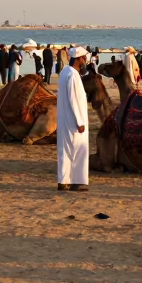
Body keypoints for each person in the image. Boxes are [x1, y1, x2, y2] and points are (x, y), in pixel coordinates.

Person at [57, 47, 90, 191]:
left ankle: (63, 181)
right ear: (78, 59)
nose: (84, 61)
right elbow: (73, 99)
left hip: (65, 119)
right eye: (83, 58)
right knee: (78, 150)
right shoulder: (73, 75)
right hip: (74, 120)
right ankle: (76, 182)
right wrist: (80, 121)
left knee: (65, 151)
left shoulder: (64, 72)